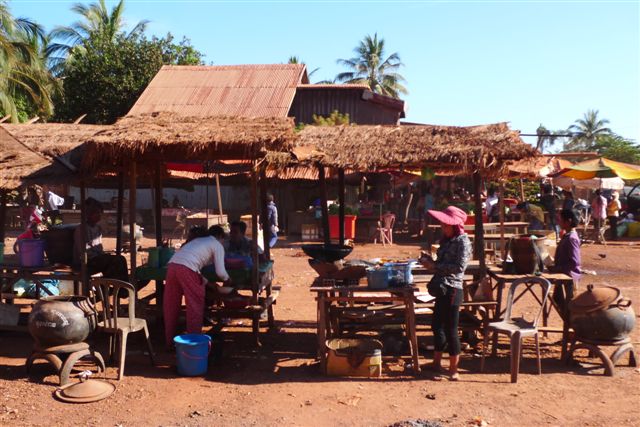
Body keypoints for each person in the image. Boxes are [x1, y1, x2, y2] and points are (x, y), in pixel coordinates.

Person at [419, 206, 472, 381]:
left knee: (451, 329)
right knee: (437, 326)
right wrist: (430, 261)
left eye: (446, 225)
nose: (443, 228)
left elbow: (458, 267)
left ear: (454, 226)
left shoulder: (463, 242)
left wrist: (434, 266)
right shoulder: (447, 240)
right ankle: (436, 363)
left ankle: (453, 369)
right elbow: (442, 262)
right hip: (442, 287)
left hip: (453, 289)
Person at [163, 225, 230, 346]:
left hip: (172, 267)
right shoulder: (217, 245)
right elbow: (220, 272)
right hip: (187, 269)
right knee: (195, 306)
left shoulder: (198, 241)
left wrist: (206, 282)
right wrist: (228, 279)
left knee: (171, 305)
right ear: (220, 237)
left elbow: (192, 266)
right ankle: (193, 343)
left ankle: (169, 341)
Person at [73, 198, 128, 282]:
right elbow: (84, 252)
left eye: (100, 213)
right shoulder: (81, 229)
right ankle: (108, 287)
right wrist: (101, 256)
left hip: (96, 259)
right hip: (86, 261)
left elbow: (99, 248)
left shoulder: (98, 228)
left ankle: (121, 285)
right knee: (116, 261)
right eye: (96, 213)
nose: (99, 215)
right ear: (89, 214)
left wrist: (103, 255)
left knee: (121, 259)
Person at [550, 209, 582, 309]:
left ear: (568, 221)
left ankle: (570, 324)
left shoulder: (571, 238)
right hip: (564, 276)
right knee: (559, 303)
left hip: (570, 277)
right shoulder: (567, 236)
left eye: (560, 220)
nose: (558, 222)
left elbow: (575, 262)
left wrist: (557, 268)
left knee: (570, 307)